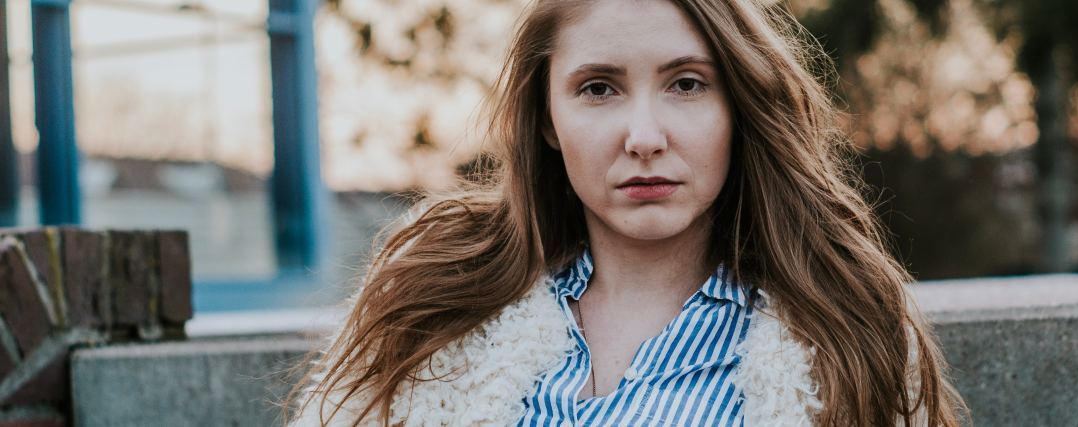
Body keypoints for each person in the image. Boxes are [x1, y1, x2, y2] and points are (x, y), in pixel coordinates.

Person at [289, 0, 967, 425]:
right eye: (599, 88)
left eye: (686, 84)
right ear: (548, 117)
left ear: (737, 106)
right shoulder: (431, 305)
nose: (644, 135)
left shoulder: (844, 329)